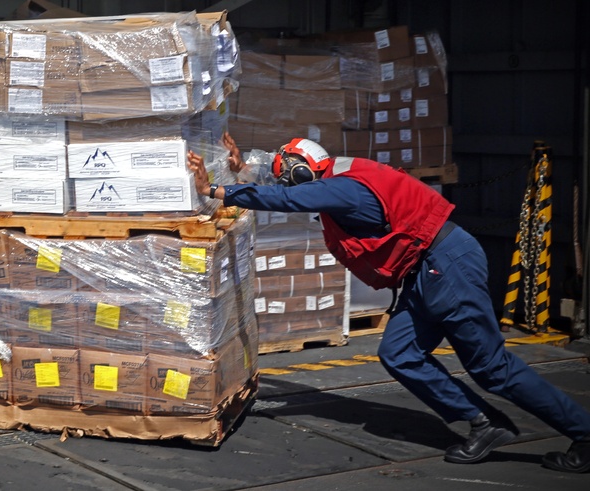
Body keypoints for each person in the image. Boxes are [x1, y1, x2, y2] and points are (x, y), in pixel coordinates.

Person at [188, 133, 590, 473]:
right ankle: (483, 422)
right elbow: (291, 182)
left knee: (491, 369)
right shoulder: (339, 173)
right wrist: (246, 168)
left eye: (287, 174)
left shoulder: (341, 188)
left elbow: (290, 199)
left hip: (445, 266)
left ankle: (584, 433)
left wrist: (215, 190)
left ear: (302, 170)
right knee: (399, 353)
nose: (288, 183)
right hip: (426, 269)